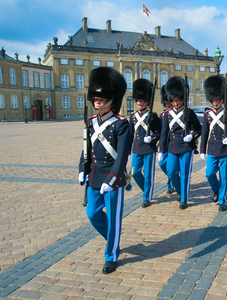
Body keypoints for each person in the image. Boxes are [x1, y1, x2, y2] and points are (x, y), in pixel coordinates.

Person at [78, 67, 130, 274]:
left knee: (114, 218)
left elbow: (123, 154)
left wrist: (114, 178)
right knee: (92, 214)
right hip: (95, 175)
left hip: (112, 177)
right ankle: (113, 237)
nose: (97, 103)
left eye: (100, 100)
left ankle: (111, 255)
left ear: (110, 100)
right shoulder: (90, 123)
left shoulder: (121, 124)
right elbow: (85, 149)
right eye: (95, 100)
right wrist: (82, 168)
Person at [157, 76, 202, 210]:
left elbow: (198, 128)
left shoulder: (189, 112)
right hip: (172, 147)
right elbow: (164, 133)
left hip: (186, 147)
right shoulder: (166, 115)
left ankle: (184, 199)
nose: (176, 103)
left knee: (185, 173)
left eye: (178, 100)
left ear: (182, 99)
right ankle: (180, 190)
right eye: (174, 100)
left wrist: (192, 136)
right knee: (171, 172)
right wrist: (161, 149)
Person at [200, 75, 227, 212]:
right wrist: (202, 150)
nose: (215, 101)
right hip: (212, 149)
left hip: (226, 149)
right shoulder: (207, 115)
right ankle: (217, 190)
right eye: (213, 99)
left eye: (218, 99)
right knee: (209, 174)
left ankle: (222, 200)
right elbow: (205, 133)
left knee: (224, 176)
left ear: (222, 99)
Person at [129, 79, 162, 208]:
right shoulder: (132, 116)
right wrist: (128, 151)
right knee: (135, 173)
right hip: (136, 148)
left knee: (148, 174)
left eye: (142, 101)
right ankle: (147, 190)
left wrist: (153, 137)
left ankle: (146, 197)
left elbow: (160, 132)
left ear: (147, 102)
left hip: (149, 148)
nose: (139, 103)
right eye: (138, 101)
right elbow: (130, 135)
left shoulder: (152, 115)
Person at [158, 85, 176, 194]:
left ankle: (171, 183)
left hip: (174, 143)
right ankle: (172, 178)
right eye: (166, 103)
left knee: (171, 166)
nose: (168, 105)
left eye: (169, 102)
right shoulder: (163, 115)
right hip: (165, 144)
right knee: (162, 164)